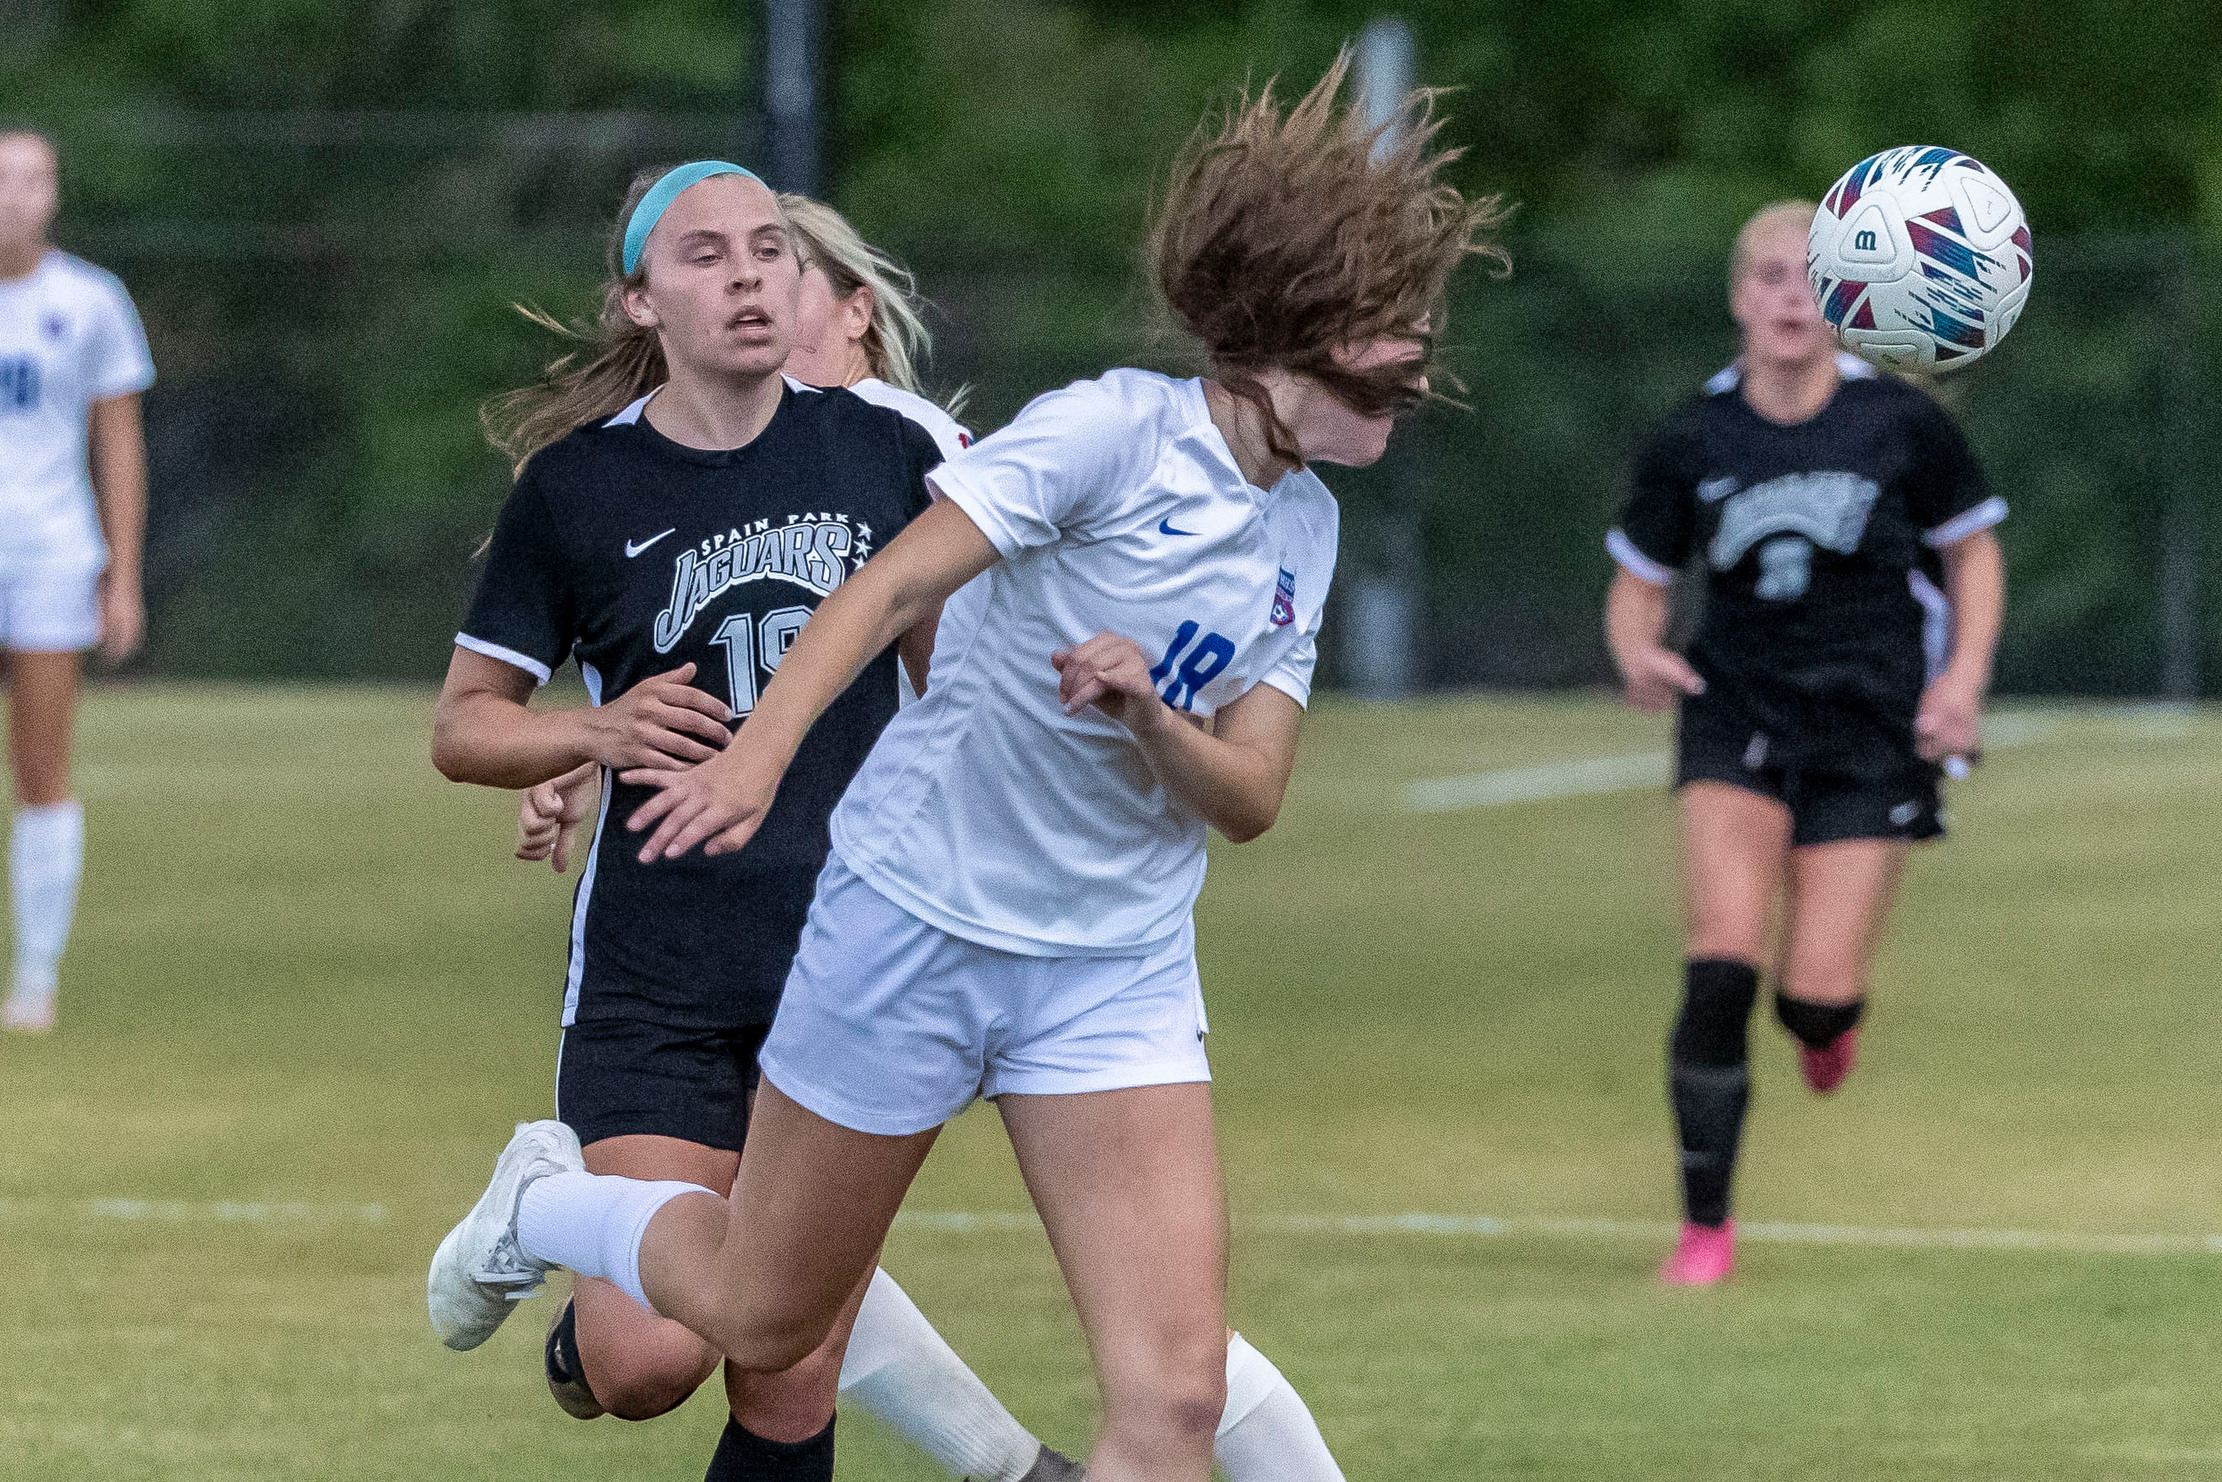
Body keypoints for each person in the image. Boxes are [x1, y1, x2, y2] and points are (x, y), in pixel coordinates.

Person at [430, 58, 1503, 1482]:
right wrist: (692, 754)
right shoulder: (1103, 431)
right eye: (1387, 340)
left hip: (1106, 961)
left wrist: (1147, 719)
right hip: (893, 927)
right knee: (739, 1322)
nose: (1416, 373)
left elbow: (1233, 786)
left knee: (1166, 1398)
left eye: (772, 251)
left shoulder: (1286, 522)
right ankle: (546, 1206)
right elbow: (879, 592)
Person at [431, 163, 1077, 1482]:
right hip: (655, 980)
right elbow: (464, 723)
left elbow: (957, 691)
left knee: (785, 1375)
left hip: (851, 970)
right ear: (640, 300)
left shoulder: (884, 451)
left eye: (769, 249)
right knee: (645, 1364)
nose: (746, 276)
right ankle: (548, 1215)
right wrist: (588, 736)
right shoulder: (576, 488)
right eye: (705, 254)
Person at [1602, 200, 2007, 1286]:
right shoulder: (1692, 437)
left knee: (1812, 995)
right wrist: (1636, 652)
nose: (1790, 298)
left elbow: (1972, 554)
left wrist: (1960, 681)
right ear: (1739, 298)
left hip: (1869, 727)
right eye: (1770, 277)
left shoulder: (1900, 424)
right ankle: (1704, 1230)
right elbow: (1638, 582)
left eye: (1812, 280)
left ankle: (1827, 1025)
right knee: (1720, 965)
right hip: (1734, 713)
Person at [0, 127, 153, 1035]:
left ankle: (34, 978)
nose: (14, 194)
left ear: (54, 192)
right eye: (1, 178)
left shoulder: (91, 300)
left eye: (32, 178)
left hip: (51, 557)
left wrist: (122, 575)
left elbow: (118, 443)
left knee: (41, 766)